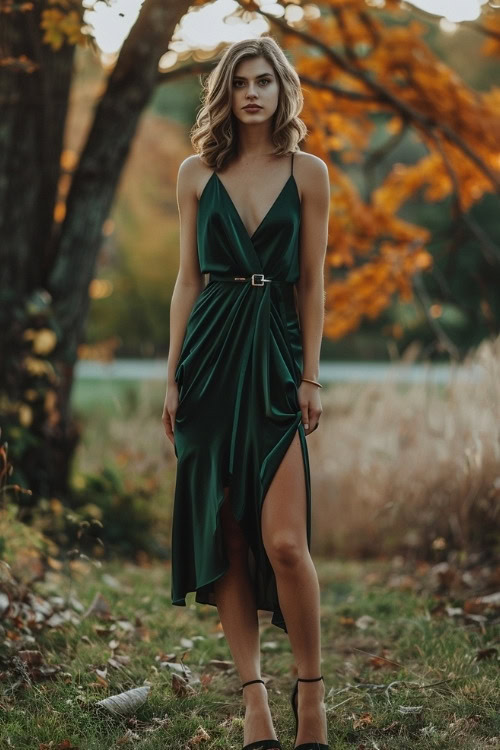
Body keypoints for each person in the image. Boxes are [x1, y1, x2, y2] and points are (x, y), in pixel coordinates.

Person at [162, 35, 330, 750]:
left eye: (264, 80)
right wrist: (172, 377)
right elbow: (187, 281)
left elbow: (312, 283)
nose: (252, 93)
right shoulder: (195, 174)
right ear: (225, 95)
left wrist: (311, 373)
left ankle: (311, 694)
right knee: (228, 535)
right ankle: (253, 700)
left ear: (281, 89)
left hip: (274, 362)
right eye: (239, 84)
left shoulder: (310, 172)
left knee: (286, 543)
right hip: (208, 362)